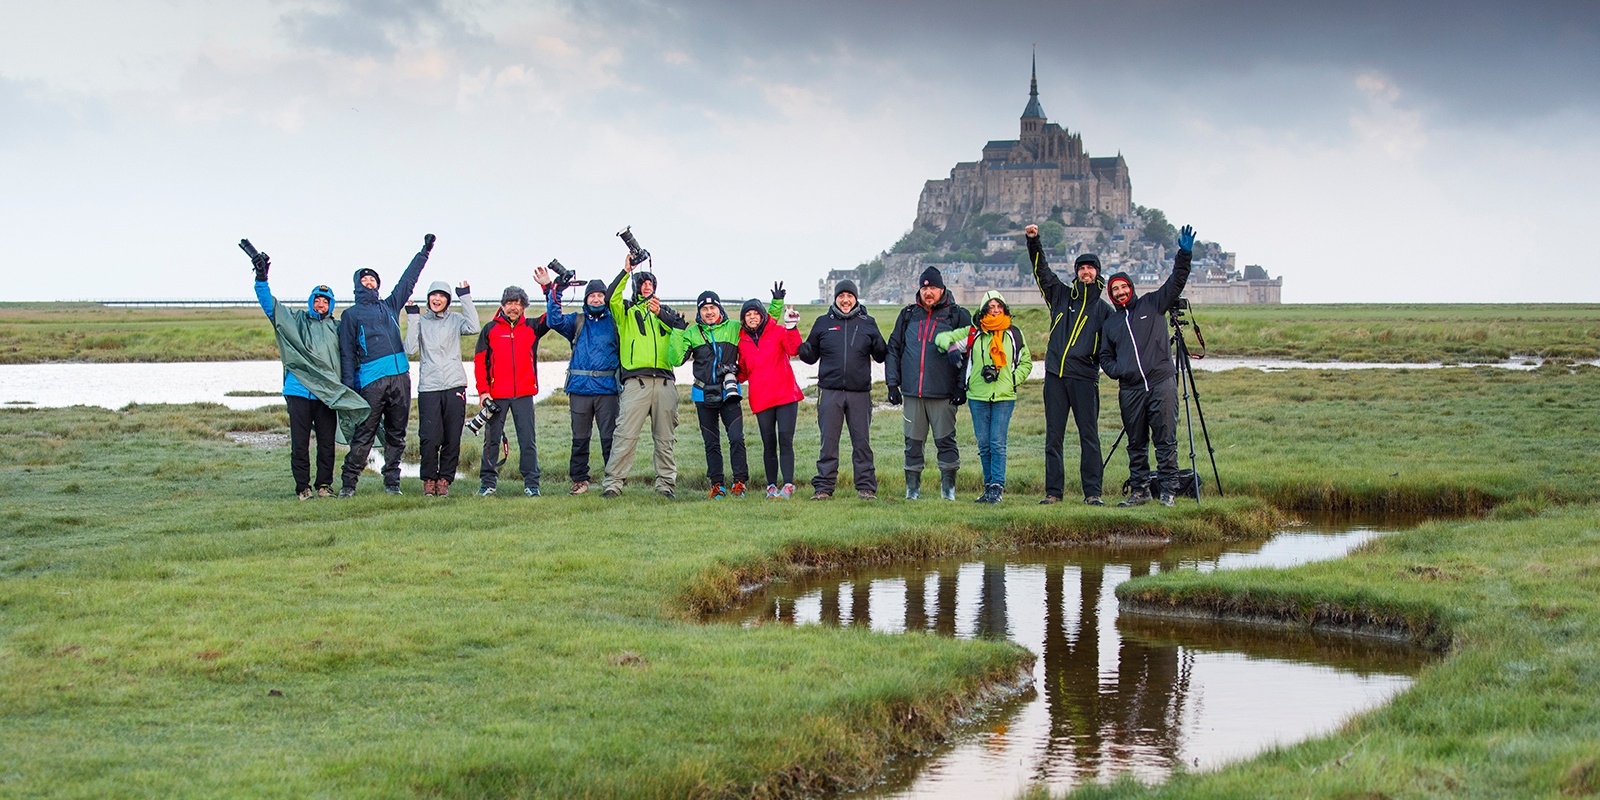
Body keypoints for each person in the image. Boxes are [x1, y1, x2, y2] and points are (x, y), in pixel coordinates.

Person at [249, 249, 370, 499]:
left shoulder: (338, 328)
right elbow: (270, 306)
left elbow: (352, 359)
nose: (320, 304)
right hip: (299, 391)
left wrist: (357, 389)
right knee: (300, 443)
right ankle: (302, 488)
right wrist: (261, 278)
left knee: (327, 444)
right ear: (311, 301)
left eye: (325, 301)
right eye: (317, 299)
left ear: (331, 304)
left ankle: (324, 486)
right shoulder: (296, 321)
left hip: (327, 396)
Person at [1099, 225, 1195, 507]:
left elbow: (1176, 282)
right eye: (1114, 290)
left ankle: (1168, 490)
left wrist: (1184, 254)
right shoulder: (1112, 323)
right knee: (1136, 443)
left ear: (1131, 287)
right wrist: (1119, 371)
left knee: (1165, 439)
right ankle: (1139, 491)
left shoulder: (1153, 304)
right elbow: (1105, 357)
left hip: (1160, 383)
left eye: (1123, 287)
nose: (1119, 292)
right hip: (1130, 390)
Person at [337, 233, 433, 496]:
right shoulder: (350, 315)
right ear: (358, 285)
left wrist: (424, 252)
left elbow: (408, 280)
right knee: (365, 434)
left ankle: (392, 482)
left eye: (373, 280)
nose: (370, 283)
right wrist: (348, 389)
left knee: (397, 433)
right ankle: (348, 484)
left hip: (400, 376)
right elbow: (346, 354)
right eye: (365, 280)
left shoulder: (390, 305)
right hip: (371, 380)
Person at [1026, 224, 1113, 506]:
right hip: (1055, 377)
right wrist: (1033, 241)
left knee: (1089, 436)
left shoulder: (1103, 310)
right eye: (1081, 268)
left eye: (1090, 268)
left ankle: (1093, 493)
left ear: (1097, 273)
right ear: (1076, 272)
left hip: (1085, 379)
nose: (1086, 272)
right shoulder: (1060, 295)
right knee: (1053, 437)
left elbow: (1112, 345)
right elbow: (1042, 272)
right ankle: (1053, 493)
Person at [602, 255, 687, 499]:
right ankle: (613, 484)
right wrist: (626, 270)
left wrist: (662, 314)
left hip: (665, 383)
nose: (647, 286)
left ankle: (666, 486)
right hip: (635, 383)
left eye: (650, 283)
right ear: (636, 287)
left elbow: (682, 331)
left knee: (665, 438)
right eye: (643, 282)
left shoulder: (667, 313)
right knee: (625, 435)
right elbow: (610, 297)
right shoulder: (625, 311)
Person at [885, 266, 973, 500]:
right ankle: (912, 492)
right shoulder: (907, 315)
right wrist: (892, 384)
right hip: (913, 393)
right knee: (912, 444)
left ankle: (948, 492)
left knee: (946, 442)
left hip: (943, 393)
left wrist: (960, 386)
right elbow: (893, 349)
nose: (928, 292)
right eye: (925, 288)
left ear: (942, 289)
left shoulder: (957, 315)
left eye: (933, 287)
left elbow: (970, 353)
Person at [797, 279, 887, 500]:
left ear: (856, 298)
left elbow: (881, 355)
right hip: (829, 392)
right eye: (841, 296)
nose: (845, 300)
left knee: (862, 443)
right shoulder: (822, 322)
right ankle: (824, 488)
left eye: (850, 296)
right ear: (835, 298)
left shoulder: (868, 322)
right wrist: (802, 347)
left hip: (860, 393)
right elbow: (810, 357)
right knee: (828, 443)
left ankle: (866, 487)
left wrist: (879, 345)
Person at [938, 291, 1031, 504]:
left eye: (999, 306)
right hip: (978, 395)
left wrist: (1012, 380)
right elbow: (941, 338)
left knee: (997, 442)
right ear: (983, 310)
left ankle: (997, 487)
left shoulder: (1013, 334)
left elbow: (1026, 362)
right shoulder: (974, 333)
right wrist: (952, 347)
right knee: (984, 444)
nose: (995, 310)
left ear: (1005, 308)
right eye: (990, 307)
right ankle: (988, 487)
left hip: (1004, 396)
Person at [542, 274, 620, 496]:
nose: (596, 300)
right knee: (580, 438)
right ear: (585, 299)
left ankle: (613, 481)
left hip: (608, 390)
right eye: (592, 296)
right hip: (579, 389)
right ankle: (579, 481)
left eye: (600, 296)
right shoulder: (576, 321)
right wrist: (555, 291)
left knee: (610, 438)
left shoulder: (615, 321)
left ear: (606, 298)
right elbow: (553, 320)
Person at [669, 290, 750, 498]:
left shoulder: (733, 328)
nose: (709, 312)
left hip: (729, 393)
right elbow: (676, 359)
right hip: (702, 394)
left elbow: (757, 322)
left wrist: (776, 304)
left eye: (712, 307)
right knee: (711, 442)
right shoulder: (692, 333)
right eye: (704, 309)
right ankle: (717, 485)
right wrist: (678, 331)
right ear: (699, 312)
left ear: (719, 308)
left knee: (736, 438)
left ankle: (739, 483)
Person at [403, 279, 480, 497]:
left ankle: (444, 479)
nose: (437, 299)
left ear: (447, 300)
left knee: (452, 437)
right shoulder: (422, 321)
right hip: (429, 386)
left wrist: (464, 295)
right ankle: (429, 480)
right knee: (429, 436)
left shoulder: (455, 319)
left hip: (455, 384)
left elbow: (474, 326)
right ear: (429, 298)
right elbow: (409, 349)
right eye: (433, 295)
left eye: (442, 296)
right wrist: (412, 317)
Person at [472, 285, 551, 496]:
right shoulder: (490, 329)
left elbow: (553, 314)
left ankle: (531, 485)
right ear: (502, 305)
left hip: (524, 394)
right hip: (496, 396)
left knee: (528, 440)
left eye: (518, 303)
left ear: (524, 306)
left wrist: (548, 287)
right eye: (509, 303)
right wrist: (483, 391)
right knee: (492, 440)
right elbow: (480, 362)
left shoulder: (533, 327)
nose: (513, 307)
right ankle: (487, 484)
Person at [738, 284, 802, 499]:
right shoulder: (742, 341)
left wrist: (792, 327)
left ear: (763, 316)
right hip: (762, 398)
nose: (753, 317)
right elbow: (744, 373)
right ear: (743, 319)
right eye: (748, 314)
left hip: (785, 396)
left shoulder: (777, 331)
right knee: (768, 443)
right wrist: (729, 372)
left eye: (756, 313)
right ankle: (771, 486)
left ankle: (789, 484)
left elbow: (794, 349)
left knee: (785, 440)